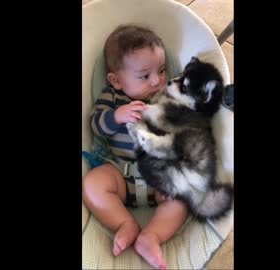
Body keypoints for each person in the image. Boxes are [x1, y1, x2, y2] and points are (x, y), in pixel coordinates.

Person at [82, 25, 188, 270]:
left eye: (161, 70)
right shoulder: (112, 98)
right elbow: (96, 126)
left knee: (183, 195)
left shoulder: (167, 97)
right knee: (91, 184)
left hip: (158, 175)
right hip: (118, 173)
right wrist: (117, 116)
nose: (157, 80)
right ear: (116, 81)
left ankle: (151, 236)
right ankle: (125, 223)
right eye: (144, 75)